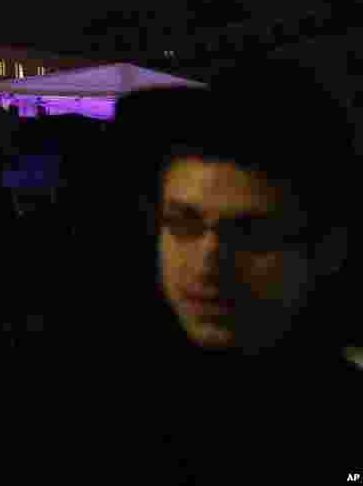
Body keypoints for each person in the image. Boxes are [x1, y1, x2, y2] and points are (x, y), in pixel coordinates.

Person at [91, 59, 359, 481]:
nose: (208, 262)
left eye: (250, 232)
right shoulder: (91, 409)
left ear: (327, 248)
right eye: (183, 223)